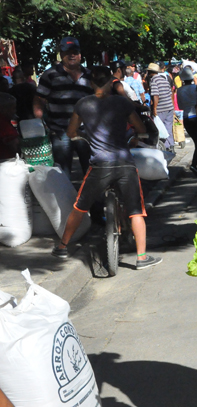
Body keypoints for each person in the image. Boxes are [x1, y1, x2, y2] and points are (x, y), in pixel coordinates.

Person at [52, 66, 162, 270]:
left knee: (80, 206)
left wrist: (83, 136)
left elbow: (71, 132)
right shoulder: (122, 103)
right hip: (124, 164)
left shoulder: (83, 104)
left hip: (99, 165)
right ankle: (142, 257)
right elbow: (140, 128)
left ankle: (62, 247)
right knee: (136, 211)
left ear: (91, 83)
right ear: (112, 81)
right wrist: (135, 137)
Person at [33, 37, 93, 174]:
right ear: (61, 54)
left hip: (85, 131)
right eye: (67, 52)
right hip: (60, 132)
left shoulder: (90, 75)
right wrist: (40, 122)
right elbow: (39, 98)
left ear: (80, 55)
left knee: (91, 170)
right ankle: (65, 196)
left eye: (75, 52)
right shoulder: (50, 75)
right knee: (63, 172)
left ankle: (89, 196)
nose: (71, 55)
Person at [176, 67, 197, 175]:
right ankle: (194, 164)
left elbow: (180, 106)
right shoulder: (196, 88)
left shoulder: (179, 90)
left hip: (186, 117)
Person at [146, 62, 175, 151]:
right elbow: (171, 93)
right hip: (169, 106)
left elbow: (156, 95)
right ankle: (171, 145)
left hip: (161, 108)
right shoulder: (164, 79)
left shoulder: (153, 81)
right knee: (168, 127)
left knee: (159, 129)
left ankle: (165, 146)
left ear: (150, 72)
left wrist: (154, 108)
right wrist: (172, 105)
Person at [0, 93, 19, 161]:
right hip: (7, 161)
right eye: (13, 108)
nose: (15, 111)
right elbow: (15, 145)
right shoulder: (4, 125)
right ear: (4, 109)